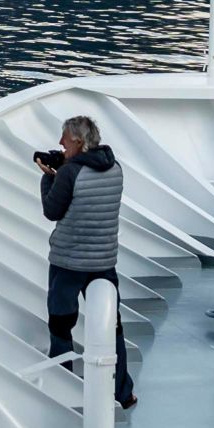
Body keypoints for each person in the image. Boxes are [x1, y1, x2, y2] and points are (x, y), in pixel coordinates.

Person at [39, 116, 134, 409]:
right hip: (104, 261)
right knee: (111, 326)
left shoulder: (70, 174)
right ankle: (123, 392)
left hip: (69, 262)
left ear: (78, 143)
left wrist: (48, 175)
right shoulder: (116, 169)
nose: (59, 144)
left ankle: (63, 388)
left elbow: (52, 210)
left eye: (64, 139)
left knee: (61, 324)